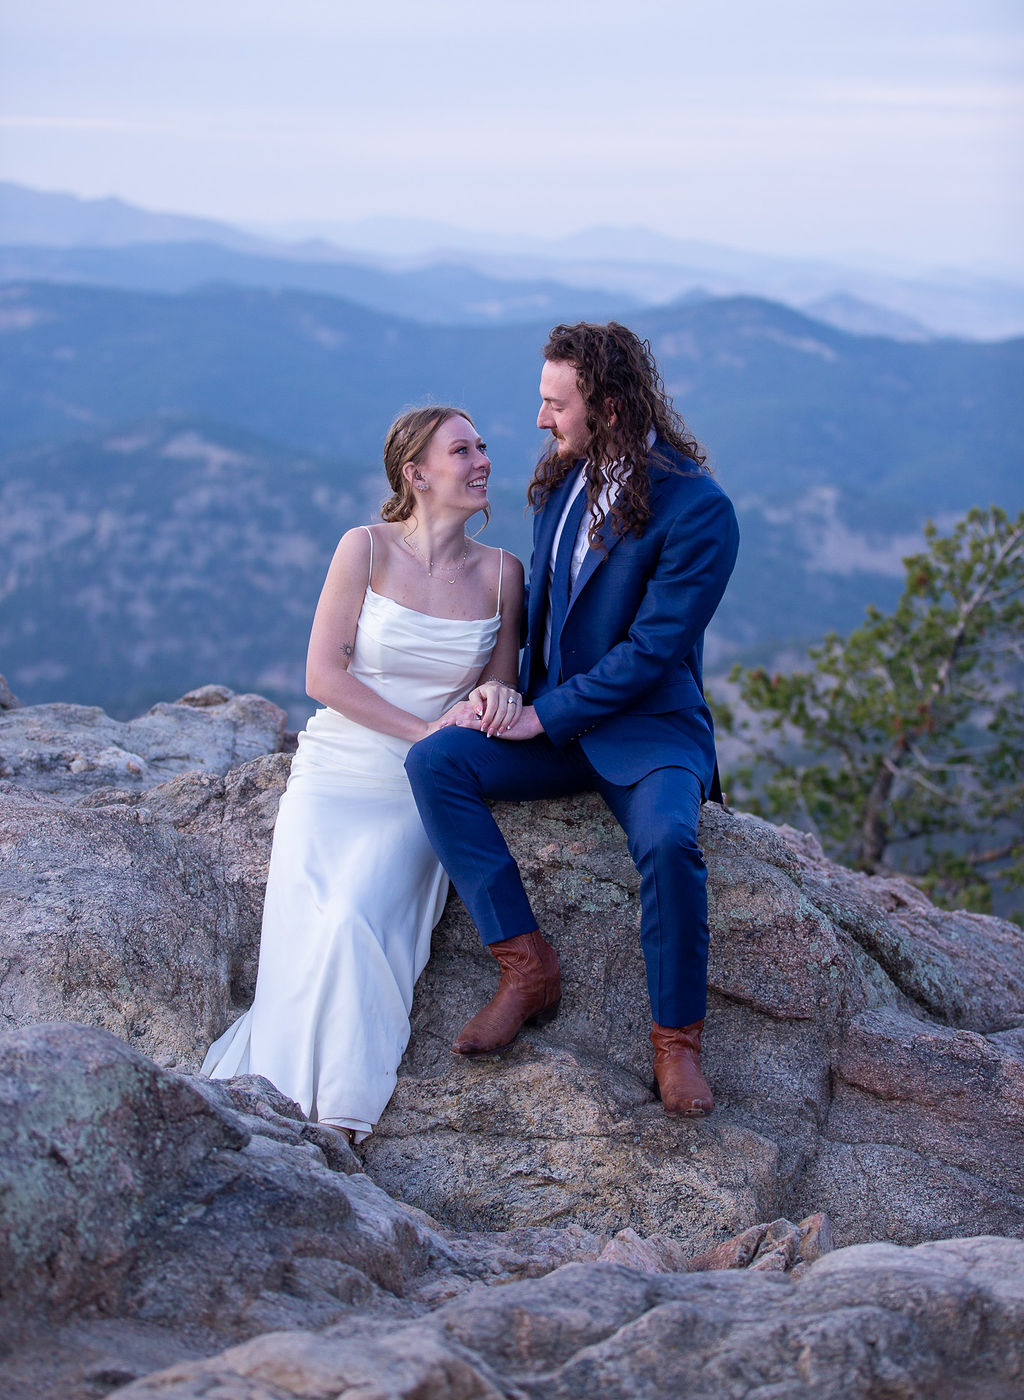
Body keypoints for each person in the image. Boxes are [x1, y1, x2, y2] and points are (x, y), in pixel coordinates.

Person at [405, 322, 739, 1117]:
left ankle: (677, 1043)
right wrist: (507, 695)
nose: (540, 419)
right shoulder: (560, 484)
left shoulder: (699, 509)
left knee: (666, 839)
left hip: (651, 731)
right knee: (435, 763)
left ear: (611, 405)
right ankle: (525, 966)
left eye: (555, 403)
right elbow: (548, 619)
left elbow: (652, 652)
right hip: (553, 727)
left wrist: (544, 713)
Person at [202, 406, 525, 1141]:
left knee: (352, 918)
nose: (482, 461)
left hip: (420, 790)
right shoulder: (365, 549)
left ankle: (341, 1115)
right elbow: (322, 675)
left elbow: (498, 692)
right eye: (462, 451)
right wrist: (424, 732)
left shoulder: (505, 575)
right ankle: (274, 1105)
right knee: (310, 930)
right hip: (334, 771)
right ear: (416, 474)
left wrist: (497, 698)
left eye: (482, 448)